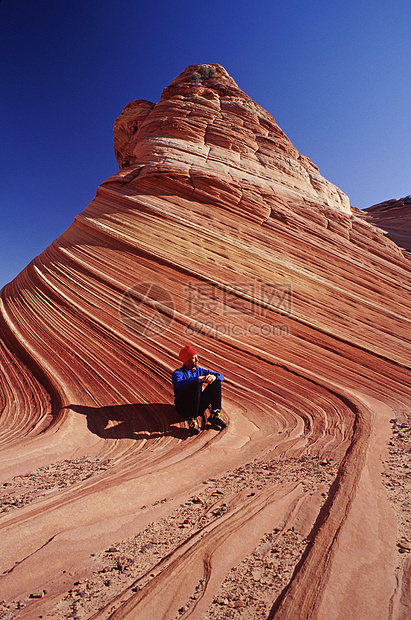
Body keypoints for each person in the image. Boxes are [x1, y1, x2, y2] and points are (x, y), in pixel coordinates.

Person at [172, 344, 227, 435]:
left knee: (216, 381)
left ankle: (215, 414)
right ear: (186, 361)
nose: (198, 360)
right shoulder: (177, 373)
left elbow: (221, 376)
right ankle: (192, 420)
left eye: (197, 357)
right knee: (196, 384)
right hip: (183, 408)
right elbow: (179, 384)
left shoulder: (199, 371)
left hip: (197, 407)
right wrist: (198, 379)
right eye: (194, 358)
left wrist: (213, 376)